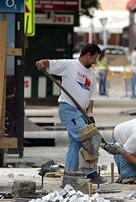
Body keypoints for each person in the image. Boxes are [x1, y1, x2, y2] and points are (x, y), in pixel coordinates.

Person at [35, 43, 106, 184]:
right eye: (94, 58)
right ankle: (90, 173)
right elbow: (49, 63)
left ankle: (69, 176)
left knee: (75, 144)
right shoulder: (69, 66)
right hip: (68, 109)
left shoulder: (91, 74)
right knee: (87, 138)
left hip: (80, 113)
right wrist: (41, 63)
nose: (95, 62)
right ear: (88, 55)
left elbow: (91, 96)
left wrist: (90, 115)